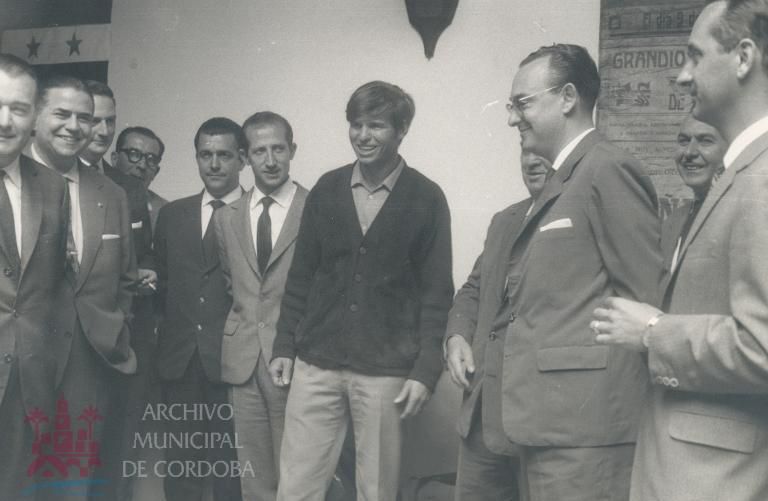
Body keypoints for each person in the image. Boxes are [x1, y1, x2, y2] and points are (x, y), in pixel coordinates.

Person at [592, 1, 768, 499]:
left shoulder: (761, 181)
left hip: (713, 479)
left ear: (743, 57)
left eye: (694, 55)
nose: (681, 74)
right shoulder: (740, 173)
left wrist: (652, 331)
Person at [270, 81, 454, 501]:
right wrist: (284, 346)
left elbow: (437, 292)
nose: (363, 136)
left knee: (376, 490)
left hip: (385, 373)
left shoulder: (426, 198)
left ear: (401, 130)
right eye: (356, 125)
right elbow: (301, 276)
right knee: (296, 487)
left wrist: (426, 370)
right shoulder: (327, 189)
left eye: (376, 126)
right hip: (316, 364)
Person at [500, 44, 664, 501]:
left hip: (588, 435)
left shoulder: (607, 169)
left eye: (522, 103)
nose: (512, 118)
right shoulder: (566, 177)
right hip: (549, 427)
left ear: (568, 97)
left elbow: (645, 299)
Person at [29, 74, 137, 499]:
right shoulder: (8, 179)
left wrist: (112, 333)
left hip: (88, 366)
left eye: (86, 118)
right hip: (17, 362)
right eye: (62, 114)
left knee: (71, 486)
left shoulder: (111, 194)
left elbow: (125, 280)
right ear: (36, 116)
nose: (76, 127)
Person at [445, 150, 552, 501]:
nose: (533, 161)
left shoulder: (585, 220)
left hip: (544, 416)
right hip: (481, 412)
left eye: (545, 153)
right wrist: (457, 336)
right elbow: (475, 289)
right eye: (527, 153)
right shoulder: (505, 220)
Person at [212, 111, 308, 500]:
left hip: (295, 359)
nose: (270, 160)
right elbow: (230, 281)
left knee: (299, 472)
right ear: (244, 157)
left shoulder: (316, 207)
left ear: (292, 151)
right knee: (253, 476)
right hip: (243, 359)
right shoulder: (227, 217)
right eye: (259, 151)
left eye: (278, 149)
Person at [153, 117, 244, 501]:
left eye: (224, 155)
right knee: (181, 467)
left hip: (235, 361)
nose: (214, 164)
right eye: (205, 155)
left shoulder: (258, 213)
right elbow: (164, 284)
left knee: (232, 471)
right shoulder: (173, 215)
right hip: (181, 362)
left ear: (242, 159)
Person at [0, 53, 68, 499]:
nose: (5, 121)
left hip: (27, 385)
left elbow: (48, 286)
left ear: (34, 118)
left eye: (19, 109)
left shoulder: (53, 186)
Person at [662, 115, 726, 271]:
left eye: (705, 141)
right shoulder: (673, 221)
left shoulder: (737, 217)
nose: (689, 152)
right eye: (683, 141)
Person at [112, 126, 168, 231]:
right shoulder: (92, 196)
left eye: (151, 160)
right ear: (115, 159)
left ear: (156, 172)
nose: (142, 166)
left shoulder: (164, 212)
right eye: (134, 154)